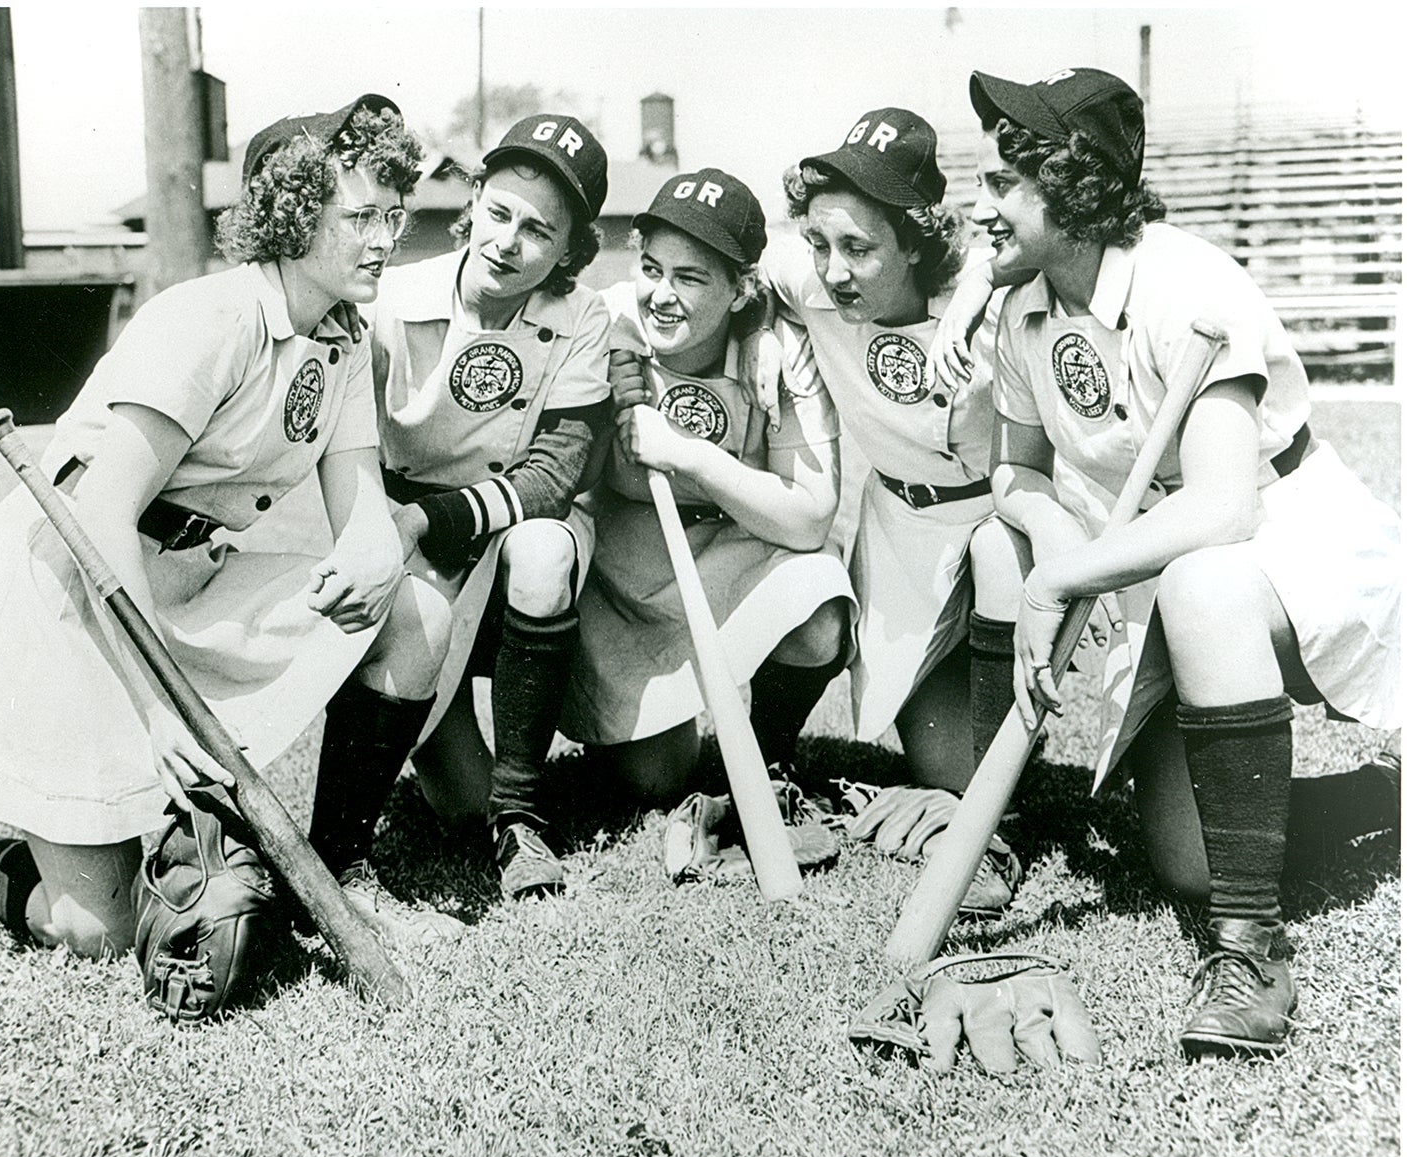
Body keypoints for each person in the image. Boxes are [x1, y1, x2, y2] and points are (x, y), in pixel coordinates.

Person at [0, 95, 461, 961]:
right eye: (359, 215)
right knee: (100, 929)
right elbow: (100, 515)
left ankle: (335, 864)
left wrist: (377, 553)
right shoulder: (211, 317)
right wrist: (159, 711)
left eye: (394, 214)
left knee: (418, 613)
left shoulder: (343, 337)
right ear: (292, 212)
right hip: (68, 586)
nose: (385, 237)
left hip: (186, 578)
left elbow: (363, 514)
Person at [957, 66, 1401, 1055]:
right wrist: (1055, 544)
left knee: (1203, 582)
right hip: (1159, 553)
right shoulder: (1021, 308)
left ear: (1069, 185)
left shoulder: (1187, 282)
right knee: (1185, 858)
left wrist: (1070, 576)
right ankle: (1381, 797)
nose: (976, 205)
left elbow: (1223, 504)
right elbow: (1015, 473)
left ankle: (1251, 958)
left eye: (997, 184)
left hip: (1288, 531)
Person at [761, 108, 1039, 912]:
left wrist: (982, 281)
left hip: (998, 533)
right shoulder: (811, 284)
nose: (835, 269)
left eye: (860, 247)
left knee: (990, 788)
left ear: (917, 240)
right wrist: (760, 338)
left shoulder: (985, 306)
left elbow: (1049, 247)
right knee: (943, 771)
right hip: (900, 531)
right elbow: (724, 268)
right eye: (821, 243)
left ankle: (999, 831)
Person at [366, 114, 612, 900]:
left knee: (544, 547)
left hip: (504, 529)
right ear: (473, 201)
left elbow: (555, 475)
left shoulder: (582, 317)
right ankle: (466, 779)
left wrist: (431, 521)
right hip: (411, 538)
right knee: (453, 806)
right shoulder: (391, 296)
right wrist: (402, 526)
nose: (508, 242)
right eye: (499, 213)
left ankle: (521, 815)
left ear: (571, 249)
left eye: (538, 230)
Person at [559, 167, 855, 805]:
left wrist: (686, 454)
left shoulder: (780, 348)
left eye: (690, 278)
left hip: (731, 559)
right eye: (653, 268)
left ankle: (770, 758)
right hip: (625, 578)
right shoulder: (605, 323)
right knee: (655, 784)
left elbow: (809, 518)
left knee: (820, 606)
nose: (662, 295)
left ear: (742, 288)